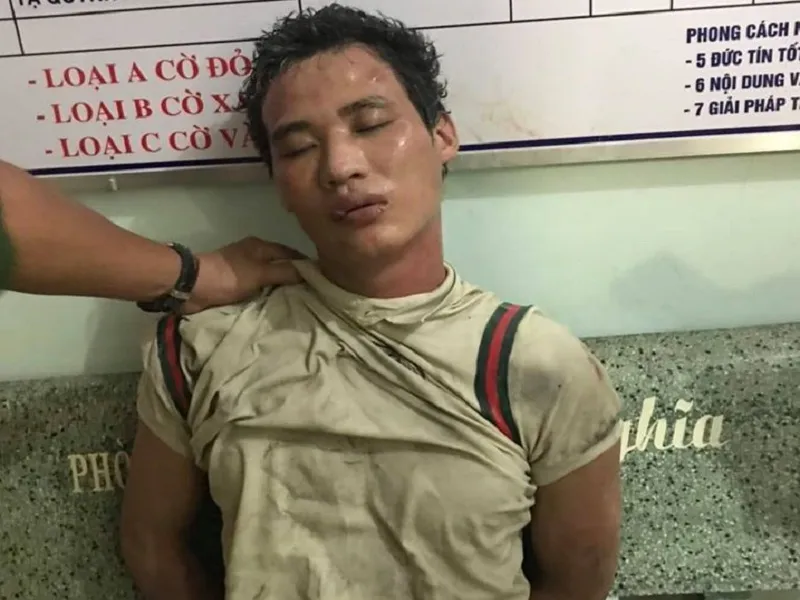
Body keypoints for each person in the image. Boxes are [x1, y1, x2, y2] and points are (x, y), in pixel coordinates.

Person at [120, 6, 623, 600]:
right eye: (299, 148)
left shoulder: (535, 365)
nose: (340, 167)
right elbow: (151, 543)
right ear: (279, 184)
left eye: (371, 124)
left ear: (442, 136)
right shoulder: (205, 349)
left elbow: (579, 576)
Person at [0, 159, 303, 313]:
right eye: (299, 148)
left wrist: (192, 277)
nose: (329, 170)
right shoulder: (211, 343)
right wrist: (192, 277)